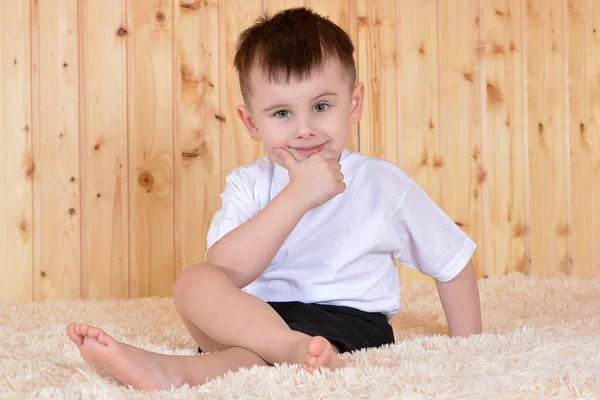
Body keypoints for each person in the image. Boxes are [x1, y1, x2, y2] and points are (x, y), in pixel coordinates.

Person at [66, 7, 482, 391]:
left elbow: (453, 261)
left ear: (353, 104)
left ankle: (177, 370)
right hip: (254, 318)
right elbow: (228, 271)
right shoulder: (250, 182)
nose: (304, 129)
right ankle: (216, 362)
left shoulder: (381, 183)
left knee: (247, 359)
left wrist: (471, 349)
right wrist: (296, 196)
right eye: (282, 114)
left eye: (321, 106)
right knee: (193, 282)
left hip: (347, 321)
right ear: (252, 122)